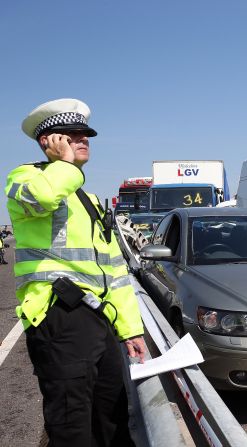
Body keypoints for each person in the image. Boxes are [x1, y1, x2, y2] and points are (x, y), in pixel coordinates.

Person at [5, 98, 146, 446]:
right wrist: (66, 164)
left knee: (113, 415)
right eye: (71, 135)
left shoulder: (89, 200)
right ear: (47, 141)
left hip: (101, 320)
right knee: (72, 426)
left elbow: (114, 272)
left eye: (86, 135)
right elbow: (43, 198)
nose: (83, 140)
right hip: (59, 316)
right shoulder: (24, 178)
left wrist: (131, 331)